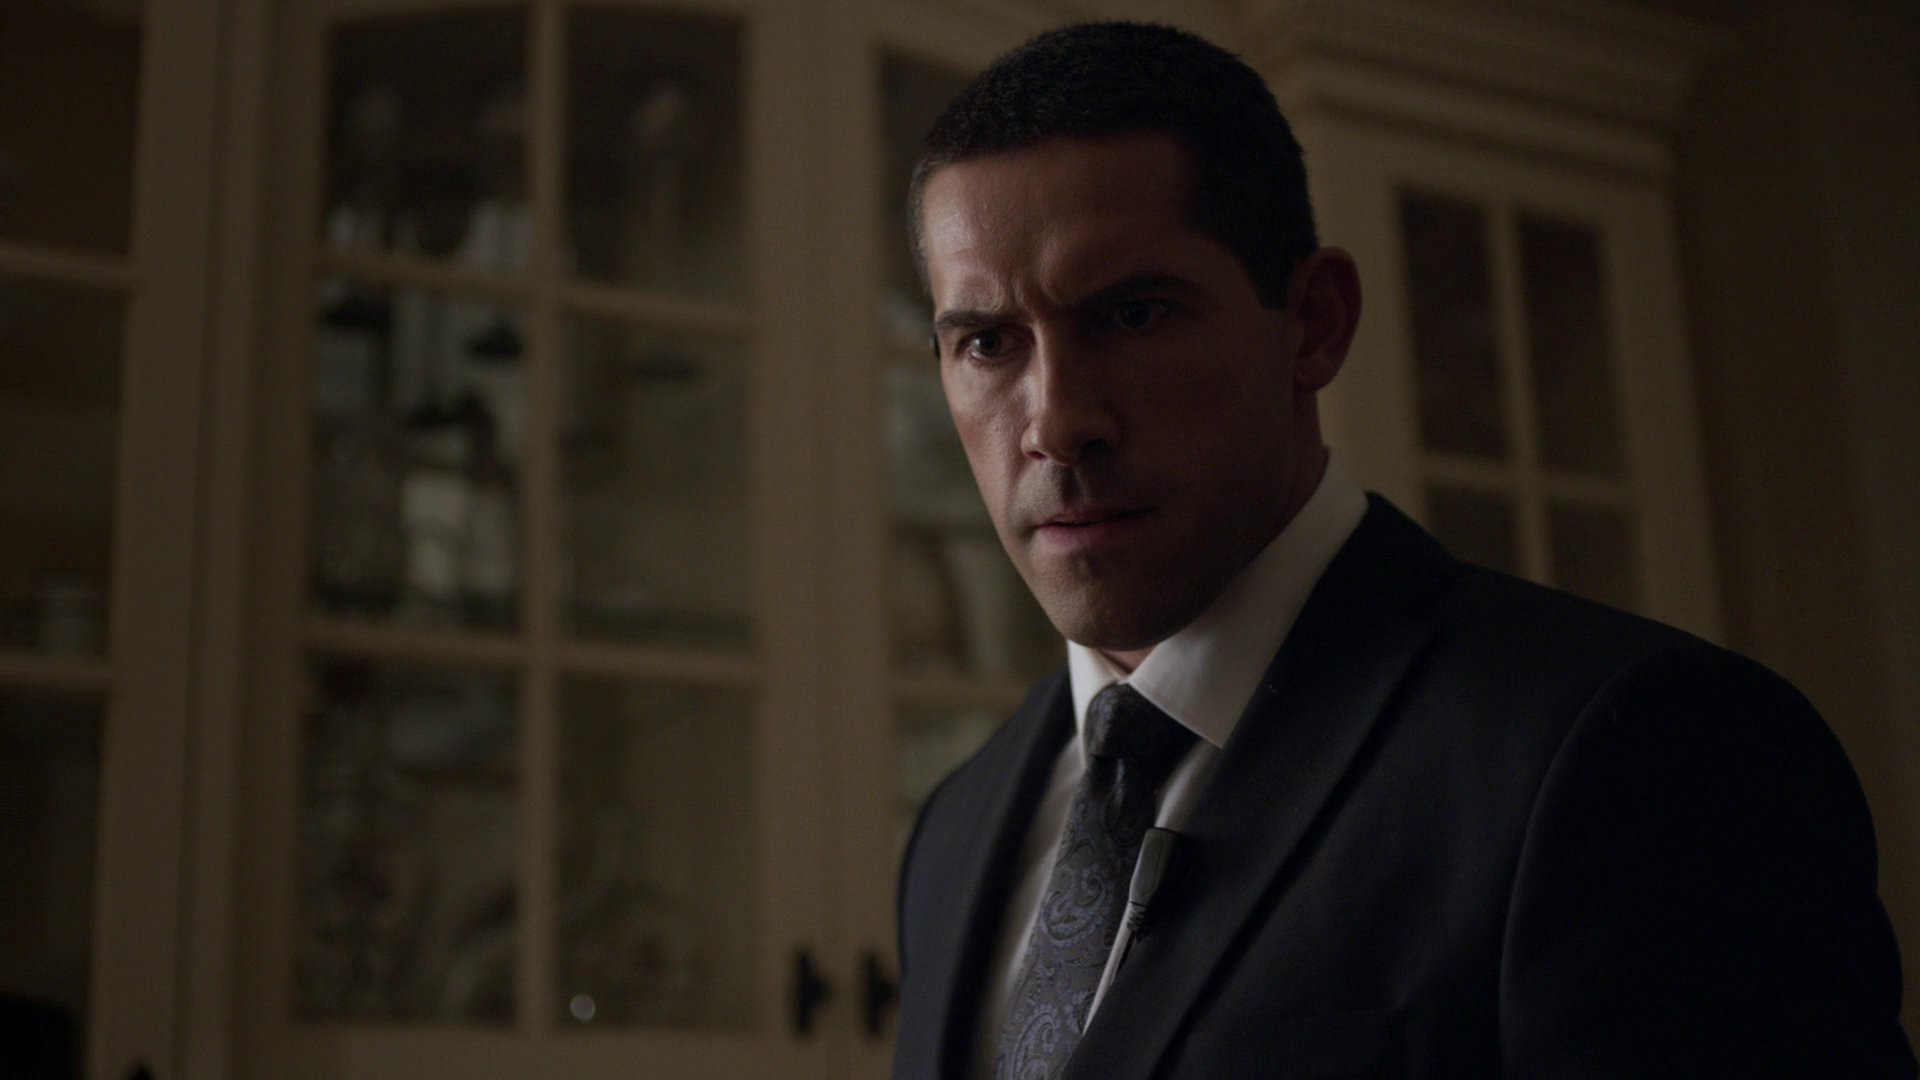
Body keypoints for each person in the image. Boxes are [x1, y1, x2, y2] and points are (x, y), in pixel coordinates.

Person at [890, 20, 1915, 1080]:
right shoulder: (958, 830)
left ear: (1316, 321)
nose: (1057, 423)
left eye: (1136, 314)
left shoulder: (1651, 758)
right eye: (987, 342)